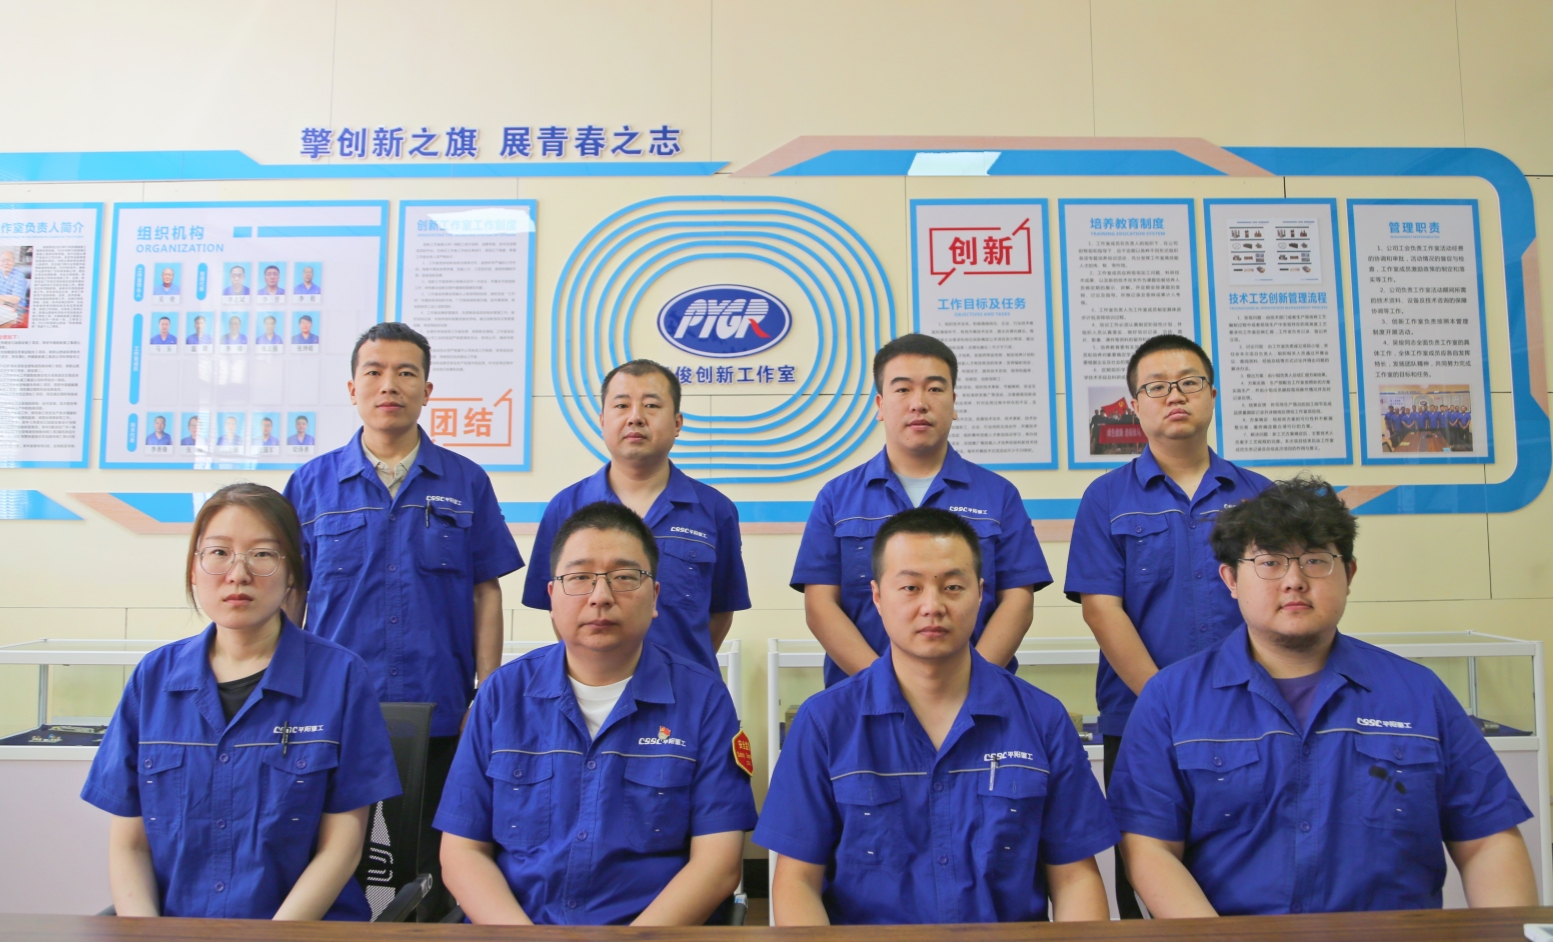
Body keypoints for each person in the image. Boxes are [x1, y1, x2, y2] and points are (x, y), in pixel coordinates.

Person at [1109, 474, 1538, 915]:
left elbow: (1487, 838)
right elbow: (1148, 848)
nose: (1294, 580)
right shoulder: (1172, 699)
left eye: (1315, 560)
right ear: (1231, 579)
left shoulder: (1418, 693)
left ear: (1348, 574)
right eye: (1270, 562)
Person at [759, 508, 1116, 925]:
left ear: (980, 593)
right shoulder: (824, 724)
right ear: (877, 596)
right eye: (910, 587)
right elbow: (796, 882)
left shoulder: (1042, 720)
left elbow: (1075, 879)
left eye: (952, 587)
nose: (932, 606)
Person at [284, 321, 522, 920]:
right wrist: (285, 684)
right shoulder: (310, 485)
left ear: (426, 389)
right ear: (352, 388)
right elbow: (291, 592)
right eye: (374, 372)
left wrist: (487, 691)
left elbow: (485, 590)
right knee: (335, 860)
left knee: (435, 862)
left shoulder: (466, 481)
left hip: (441, 709)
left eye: (405, 373)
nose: (389, 385)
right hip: (336, 710)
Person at [80, 484, 401, 919]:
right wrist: (146, 932)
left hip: (301, 929)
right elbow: (130, 844)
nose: (238, 574)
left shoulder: (340, 677)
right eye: (219, 553)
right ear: (194, 571)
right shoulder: (153, 678)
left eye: (263, 554)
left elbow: (341, 846)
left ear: (293, 573)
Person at [438, 502, 756, 925]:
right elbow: (462, 851)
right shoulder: (502, 695)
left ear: (655, 596)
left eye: (625, 577)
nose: (601, 597)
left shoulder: (704, 701)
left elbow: (718, 864)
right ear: (552, 597)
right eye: (579, 578)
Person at [1064, 333, 1270, 918]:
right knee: (1146, 873)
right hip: (1140, 719)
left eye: (1189, 383)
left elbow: (1279, 604)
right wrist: (1165, 701)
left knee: (1251, 862)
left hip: (1251, 715)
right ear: (1135, 405)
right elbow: (1102, 608)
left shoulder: (1259, 498)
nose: (1174, 396)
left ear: (1212, 395)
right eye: (1156, 387)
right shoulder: (1106, 498)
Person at [793, 334, 1051, 688]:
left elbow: (1017, 601)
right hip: (862, 700)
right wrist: (884, 686)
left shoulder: (999, 495)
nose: (919, 403)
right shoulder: (837, 498)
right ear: (881, 404)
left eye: (934, 389)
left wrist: (965, 686)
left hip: (976, 699)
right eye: (903, 389)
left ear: (953, 402)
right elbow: (820, 606)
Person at [523, 360, 750, 671]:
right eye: (621, 405)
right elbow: (556, 605)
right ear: (602, 420)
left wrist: (684, 672)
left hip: (686, 690)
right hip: (594, 687)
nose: (635, 417)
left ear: (677, 423)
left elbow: (721, 610)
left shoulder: (714, 509)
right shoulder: (565, 508)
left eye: (651, 405)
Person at [0, 250, 28, 319]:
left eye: (8, 260)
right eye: (2, 260)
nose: (5, 263)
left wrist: (1, 298)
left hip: (18, 309)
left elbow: (15, 299)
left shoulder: (19, 276)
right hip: (3, 306)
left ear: (13, 261)